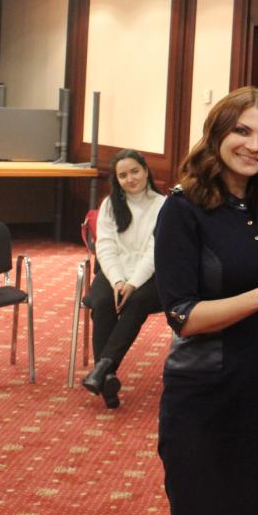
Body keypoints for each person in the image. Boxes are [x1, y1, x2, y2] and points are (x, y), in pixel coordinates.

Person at [154, 86, 258, 515]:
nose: (253, 146)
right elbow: (181, 315)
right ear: (217, 133)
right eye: (242, 131)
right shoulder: (182, 210)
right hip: (203, 396)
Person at [81, 149, 166, 409]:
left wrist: (132, 283)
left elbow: (154, 251)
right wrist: (118, 281)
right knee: (103, 301)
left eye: (134, 171)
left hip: (150, 275)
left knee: (136, 301)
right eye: (122, 175)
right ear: (116, 180)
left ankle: (103, 368)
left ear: (146, 171)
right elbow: (105, 248)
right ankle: (107, 380)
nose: (130, 179)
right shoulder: (109, 205)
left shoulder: (163, 205)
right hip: (113, 270)